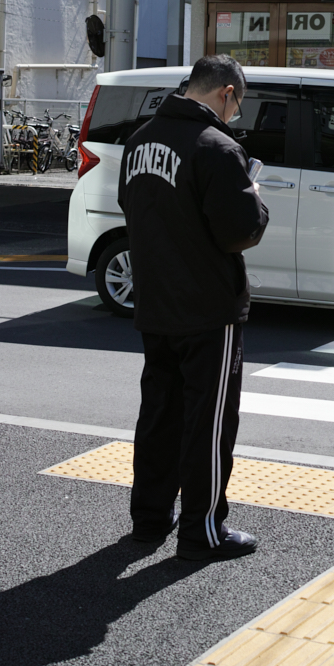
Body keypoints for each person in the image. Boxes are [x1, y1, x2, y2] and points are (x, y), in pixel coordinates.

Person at [118, 54, 269, 561]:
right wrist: (254, 193)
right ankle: (202, 530)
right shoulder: (217, 148)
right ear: (226, 93)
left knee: (160, 413)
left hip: (155, 299)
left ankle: (149, 518)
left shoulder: (140, 141)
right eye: (237, 105)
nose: (235, 116)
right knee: (209, 421)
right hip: (208, 306)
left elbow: (132, 209)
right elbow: (240, 231)